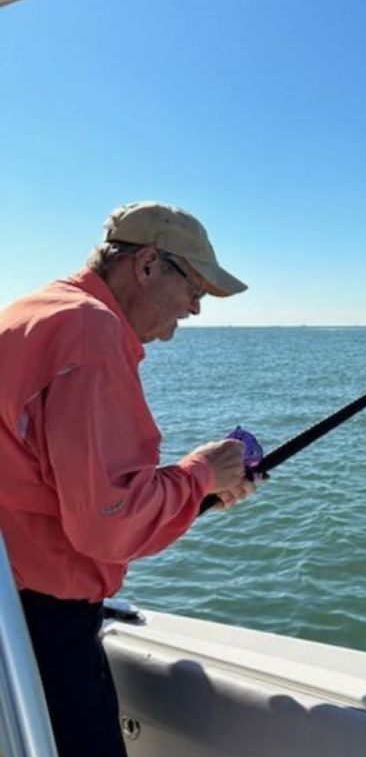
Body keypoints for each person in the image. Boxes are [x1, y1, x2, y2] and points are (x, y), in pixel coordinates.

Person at [0, 200, 256, 756]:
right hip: (43, 625)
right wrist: (202, 474)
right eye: (194, 288)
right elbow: (108, 523)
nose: (195, 309)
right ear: (145, 265)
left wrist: (198, 489)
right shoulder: (91, 335)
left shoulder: (33, 313)